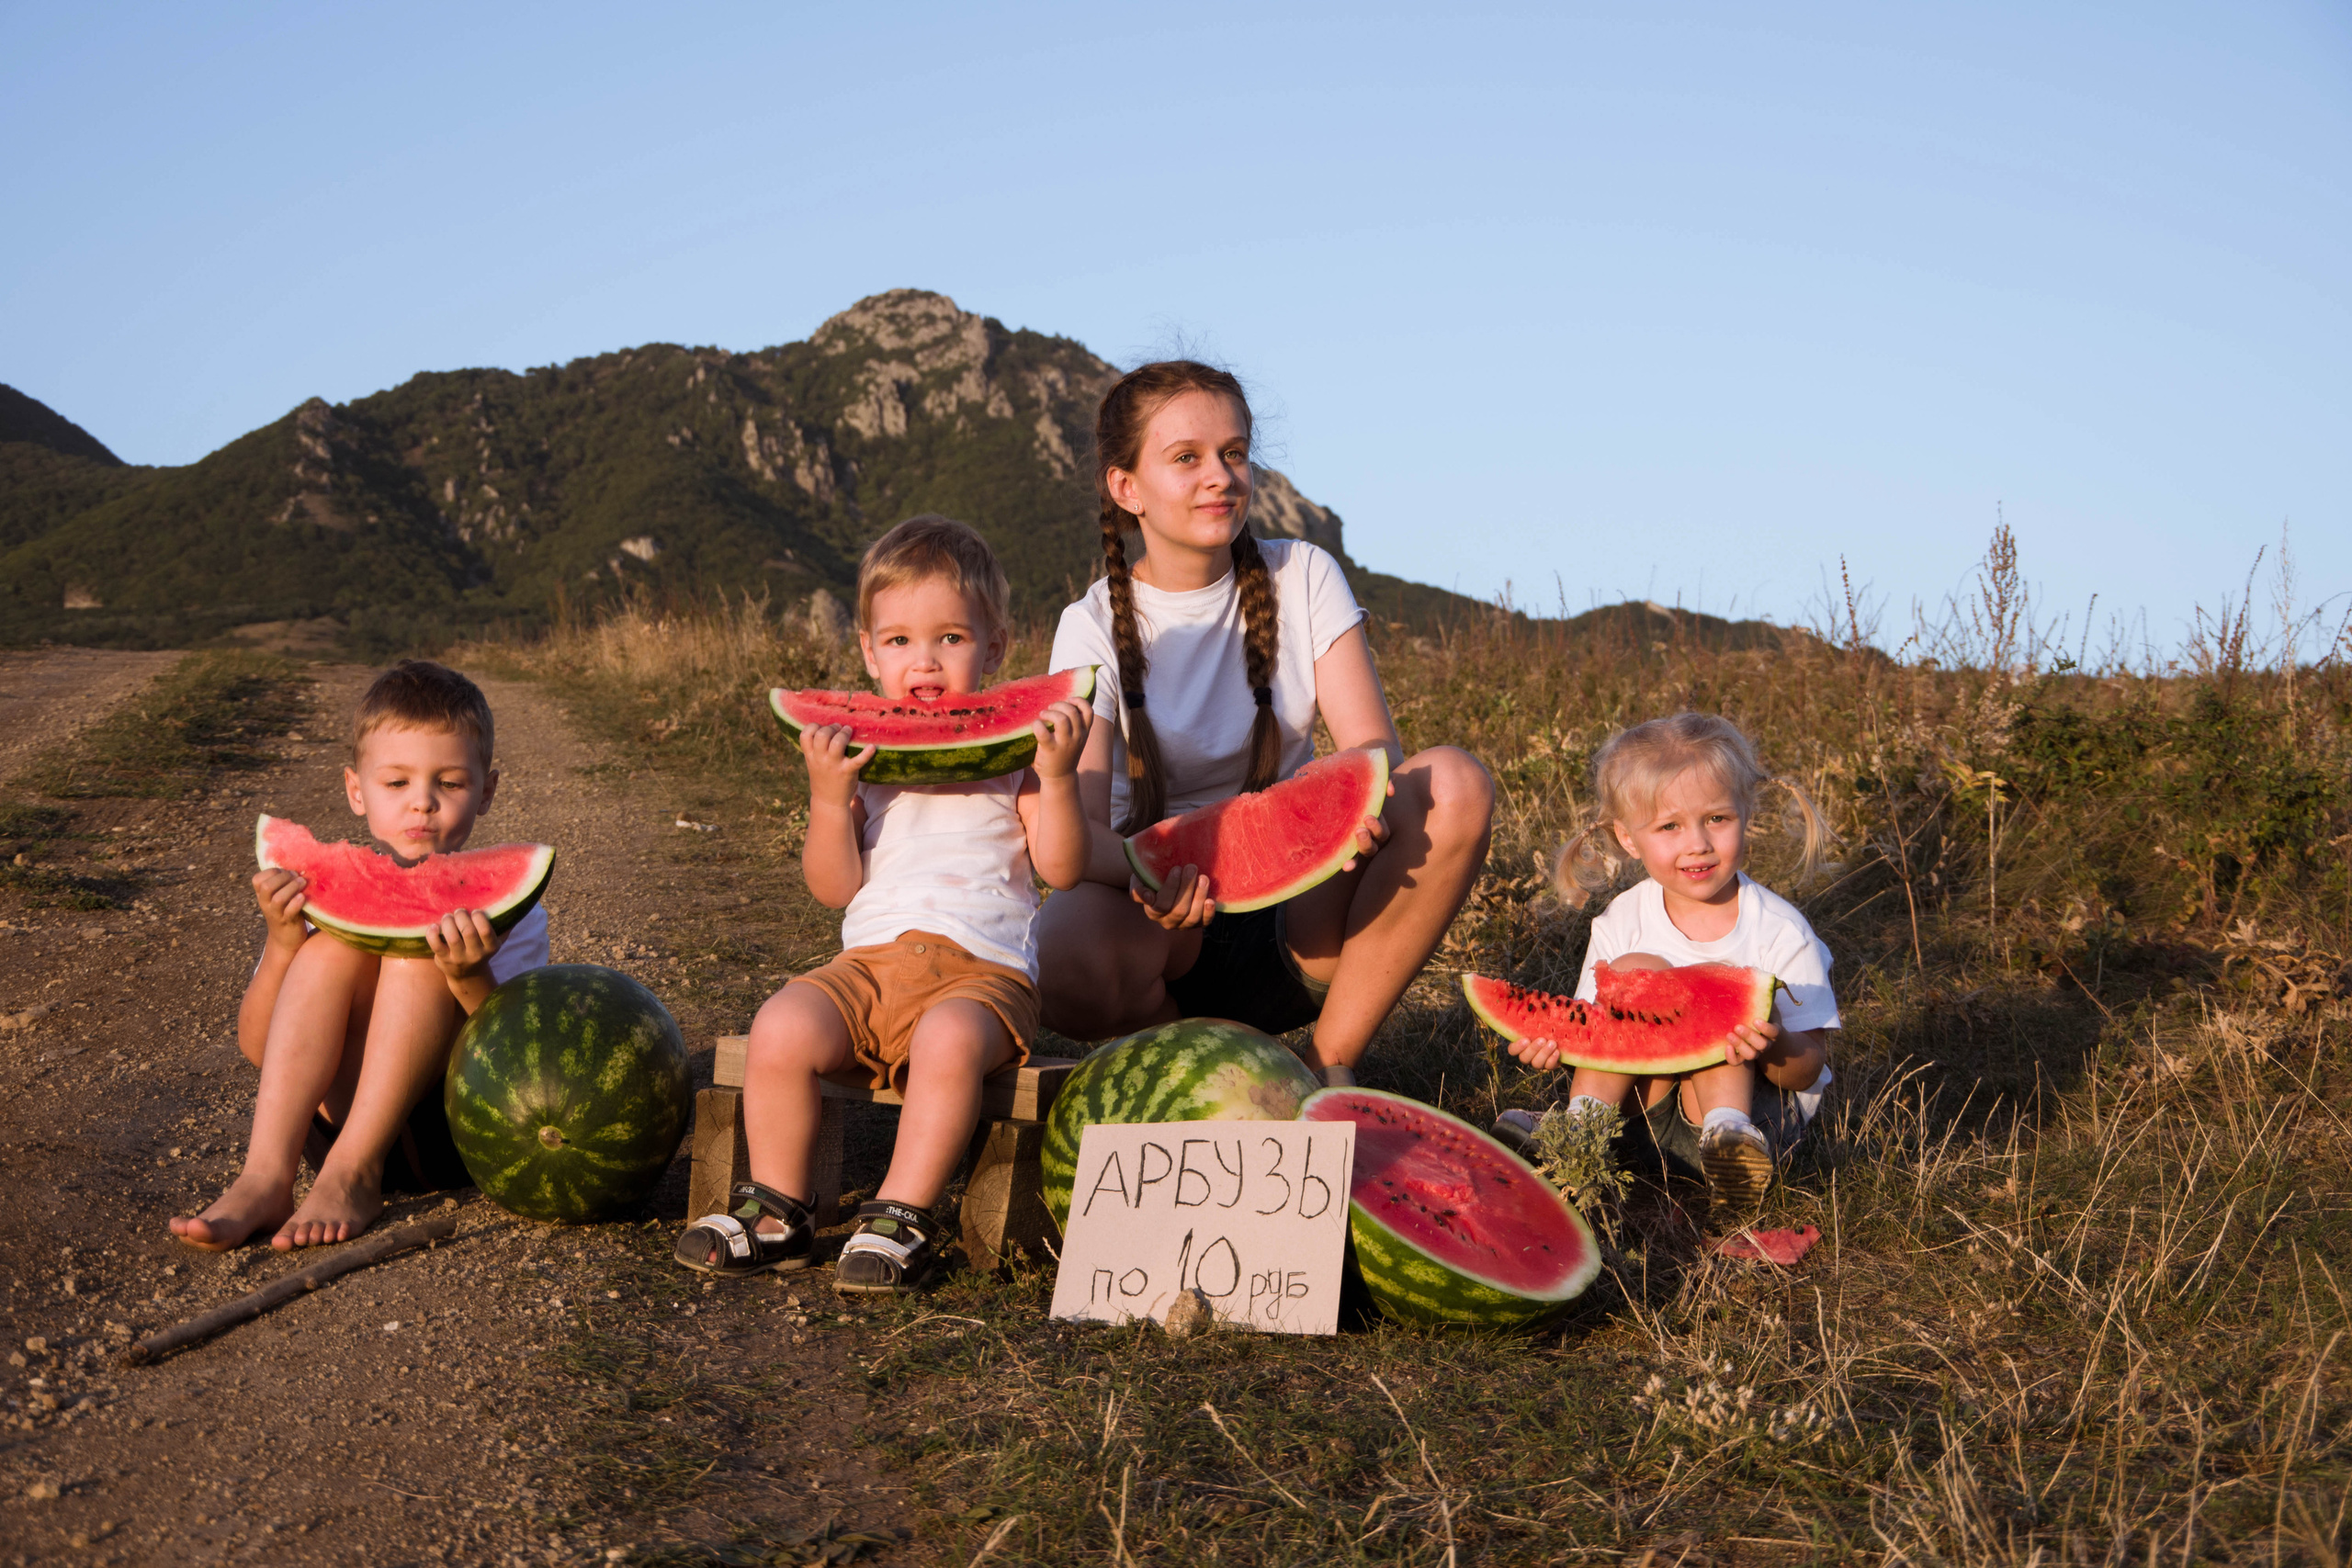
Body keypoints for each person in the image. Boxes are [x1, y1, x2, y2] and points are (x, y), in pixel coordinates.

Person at [1037, 361, 1494, 1082]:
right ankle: (1210, 1063)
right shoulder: (1089, 625)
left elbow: (1372, 752)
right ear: (1127, 489)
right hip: (1158, 929)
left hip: (1299, 918)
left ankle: (1328, 1062)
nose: (1220, 474)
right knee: (1063, 944)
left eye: (1235, 452)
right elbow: (1080, 834)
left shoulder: (1303, 575)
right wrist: (1155, 876)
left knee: (1455, 785)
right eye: (1187, 458)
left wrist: (1349, 811)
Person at [672, 516, 1091, 1294]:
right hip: (865, 966)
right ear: (868, 652)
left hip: (984, 977)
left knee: (948, 1040)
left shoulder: (1015, 764)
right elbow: (834, 886)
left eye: (951, 638)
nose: (923, 662)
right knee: (782, 1025)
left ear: (995, 648)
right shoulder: (866, 766)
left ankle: (905, 1209)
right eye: (898, 642)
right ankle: (780, 1206)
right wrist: (830, 799)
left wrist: (1060, 777)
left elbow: (1062, 867)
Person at [171, 660, 548, 1251]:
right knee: (326, 956)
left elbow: (524, 1063)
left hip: (443, 1134)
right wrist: (283, 943)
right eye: (396, 783)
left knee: (422, 957)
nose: (421, 804)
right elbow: (255, 1046)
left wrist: (471, 974)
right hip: (326, 1127)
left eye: (449, 783)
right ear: (356, 790)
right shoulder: (317, 902)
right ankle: (266, 1176)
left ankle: (357, 1172)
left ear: (487, 790)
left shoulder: (502, 915)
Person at [1497, 712, 1838, 1221]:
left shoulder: (1782, 931)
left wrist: (1774, 1041)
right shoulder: (1622, 920)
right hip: (1642, 1113)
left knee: (1718, 1019)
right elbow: (1598, 1037)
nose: (1697, 843)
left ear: (1746, 815)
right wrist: (1555, 1044)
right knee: (1634, 973)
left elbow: (1809, 1067)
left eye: (1717, 819)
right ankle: (1583, 1132)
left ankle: (1730, 1148)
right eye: (1670, 826)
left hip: (1756, 1120)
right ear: (1629, 838)